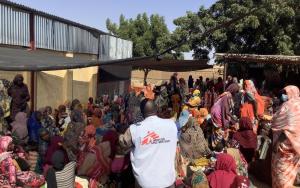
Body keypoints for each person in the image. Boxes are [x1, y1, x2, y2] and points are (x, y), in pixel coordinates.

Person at [119, 99, 178, 188]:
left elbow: (123, 143)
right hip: (167, 181)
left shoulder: (134, 129)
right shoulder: (171, 125)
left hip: (145, 183)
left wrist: (119, 134)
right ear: (156, 109)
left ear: (142, 113)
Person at [272, 85, 300, 188]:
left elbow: (289, 127)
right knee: (288, 174)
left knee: (281, 175)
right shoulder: (295, 104)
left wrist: (278, 142)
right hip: (295, 146)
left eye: (286, 93)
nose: (284, 95)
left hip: (285, 147)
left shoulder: (290, 106)